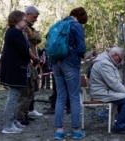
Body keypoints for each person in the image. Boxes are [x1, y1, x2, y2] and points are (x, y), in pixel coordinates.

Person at [0, 10, 39, 134]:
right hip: (14, 69)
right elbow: (24, 50)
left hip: (15, 69)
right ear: (16, 21)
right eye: (23, 20)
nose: (25, 22)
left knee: (15, 97)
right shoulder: (15, 33)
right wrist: (29, 59)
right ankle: (8, 125)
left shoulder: (14, 32)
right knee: (13, 98)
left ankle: (12, 122)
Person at [51, 7, 88, 140]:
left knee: (61, 96)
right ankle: (77, 130)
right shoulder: (76, 25)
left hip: (55, 63)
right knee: (74, 96)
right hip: (71, 63)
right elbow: (81, 48)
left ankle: (59, 131)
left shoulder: (58, 24)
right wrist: (81, 54)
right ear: (79, 16)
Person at [89, 46, 125, 136]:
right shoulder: (104, 63)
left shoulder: (107, 62)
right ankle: (120, 127)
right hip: (101, 93)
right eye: (120, 59)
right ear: (115, 55)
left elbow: (114, 83)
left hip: (105, 91)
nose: (120, 62)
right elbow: (113, 83)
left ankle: (122, 123)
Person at [16, 6, 43, 126]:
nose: (36, 19)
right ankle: (19, 117)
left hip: (31, 63)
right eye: (34, 17)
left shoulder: (30, 28)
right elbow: (27, 45)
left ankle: (25, 113)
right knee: (25, 92)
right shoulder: (23, 28)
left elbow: (38, 39)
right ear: (27, 14)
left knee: (31, 90)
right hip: (25, 63)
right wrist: (33, 58)